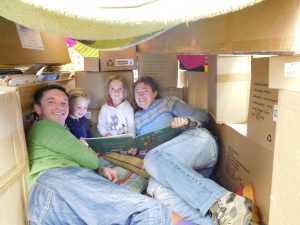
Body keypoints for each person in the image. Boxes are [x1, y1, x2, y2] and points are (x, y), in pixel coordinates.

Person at [26, 84, 172, 225]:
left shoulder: (57, 130)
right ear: (37, 108)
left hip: (49, 200)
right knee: (152, 210)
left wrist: (99, 170)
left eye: (64, 103)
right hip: (56, 182)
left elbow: (83, 161)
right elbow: (90, 160)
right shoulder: (45, 126)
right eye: (51, 102)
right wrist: (93, 162)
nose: (60, 107)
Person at [133, 76, 252, 225]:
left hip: (198, 144)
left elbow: (202, 116)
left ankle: (221, 200)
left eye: (145, 91)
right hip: (182, 172)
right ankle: (218, 221)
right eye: (137, 92)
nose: (141, 95)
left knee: (152, 158)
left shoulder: (168, 102)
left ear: (155, 92)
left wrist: (186, 120)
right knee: (155, 188)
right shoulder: (135, 119)